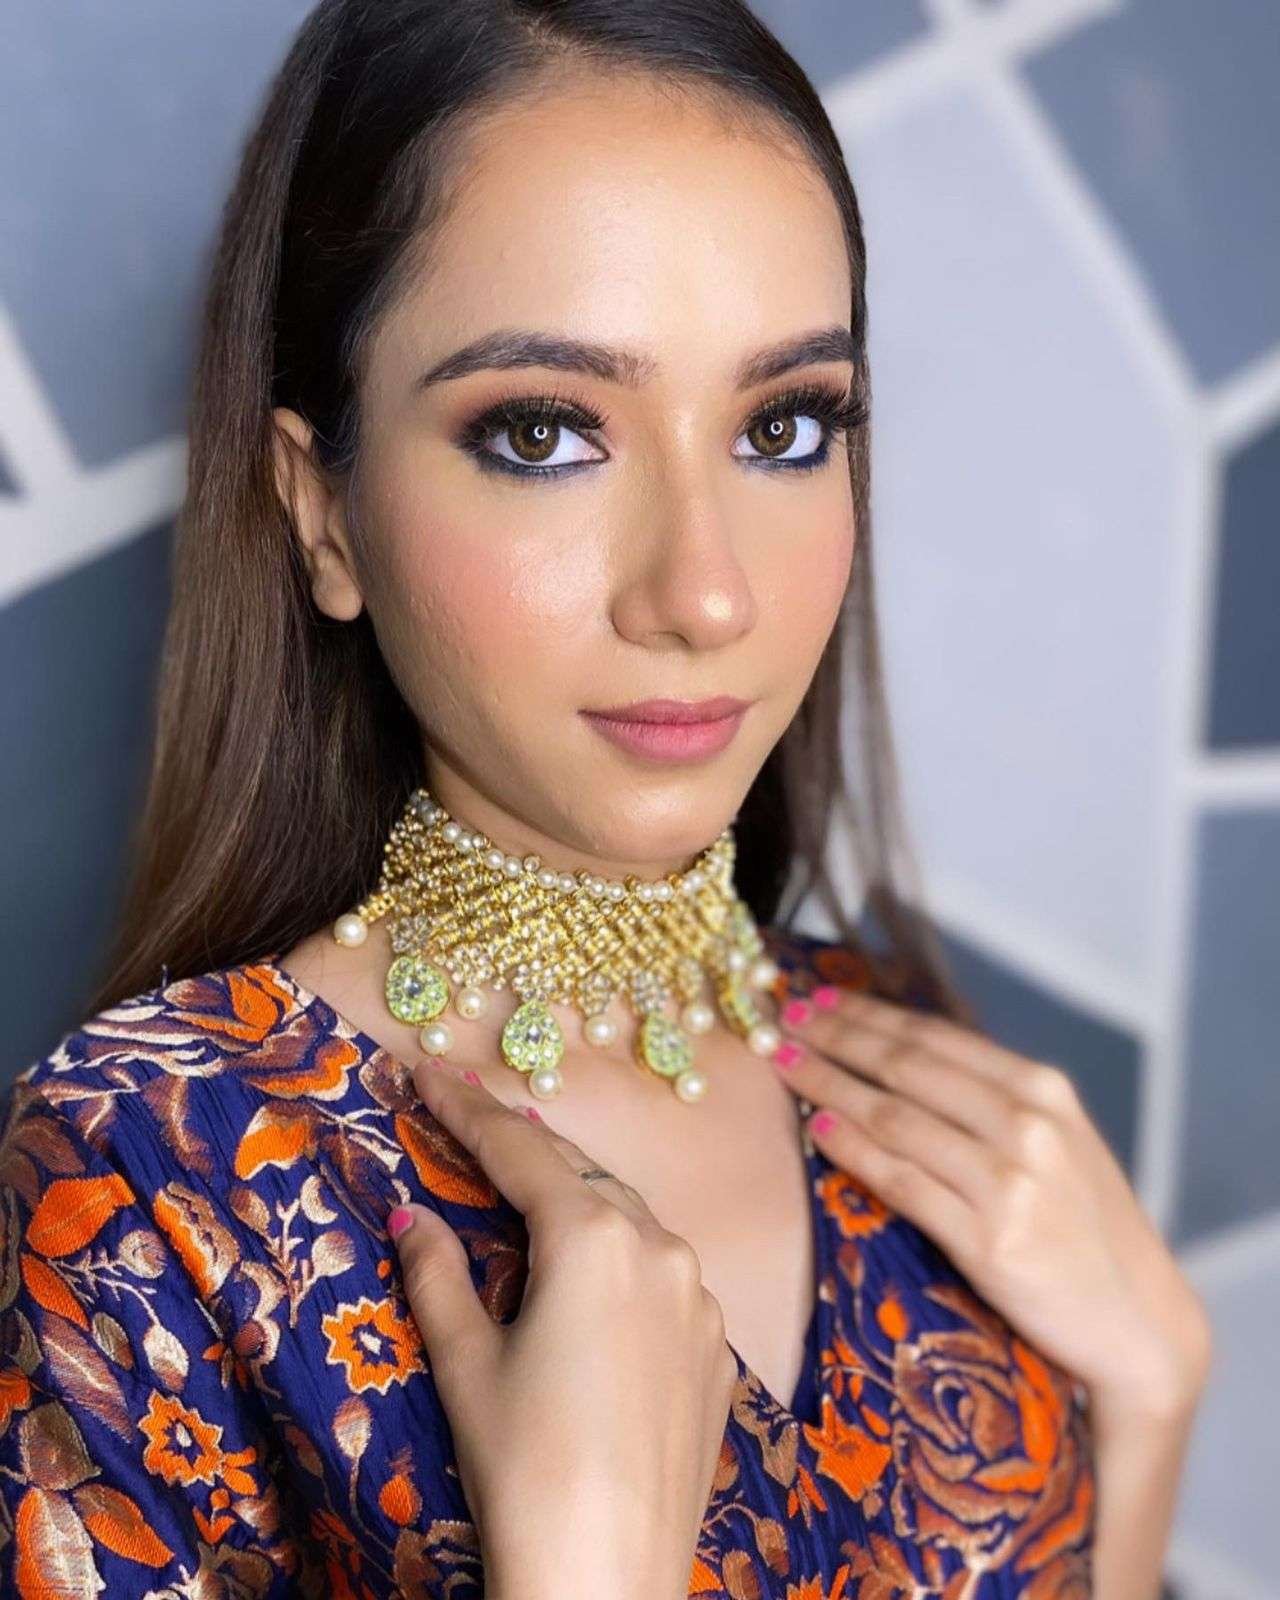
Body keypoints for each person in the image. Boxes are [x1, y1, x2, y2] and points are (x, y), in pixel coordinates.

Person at [0, 2, 1212, 1596]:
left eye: (784, 426)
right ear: (321, 512)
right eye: (544, 432)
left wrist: (1146, 1415)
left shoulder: (908, 1065)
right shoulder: (147, 1176)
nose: (704, 593)